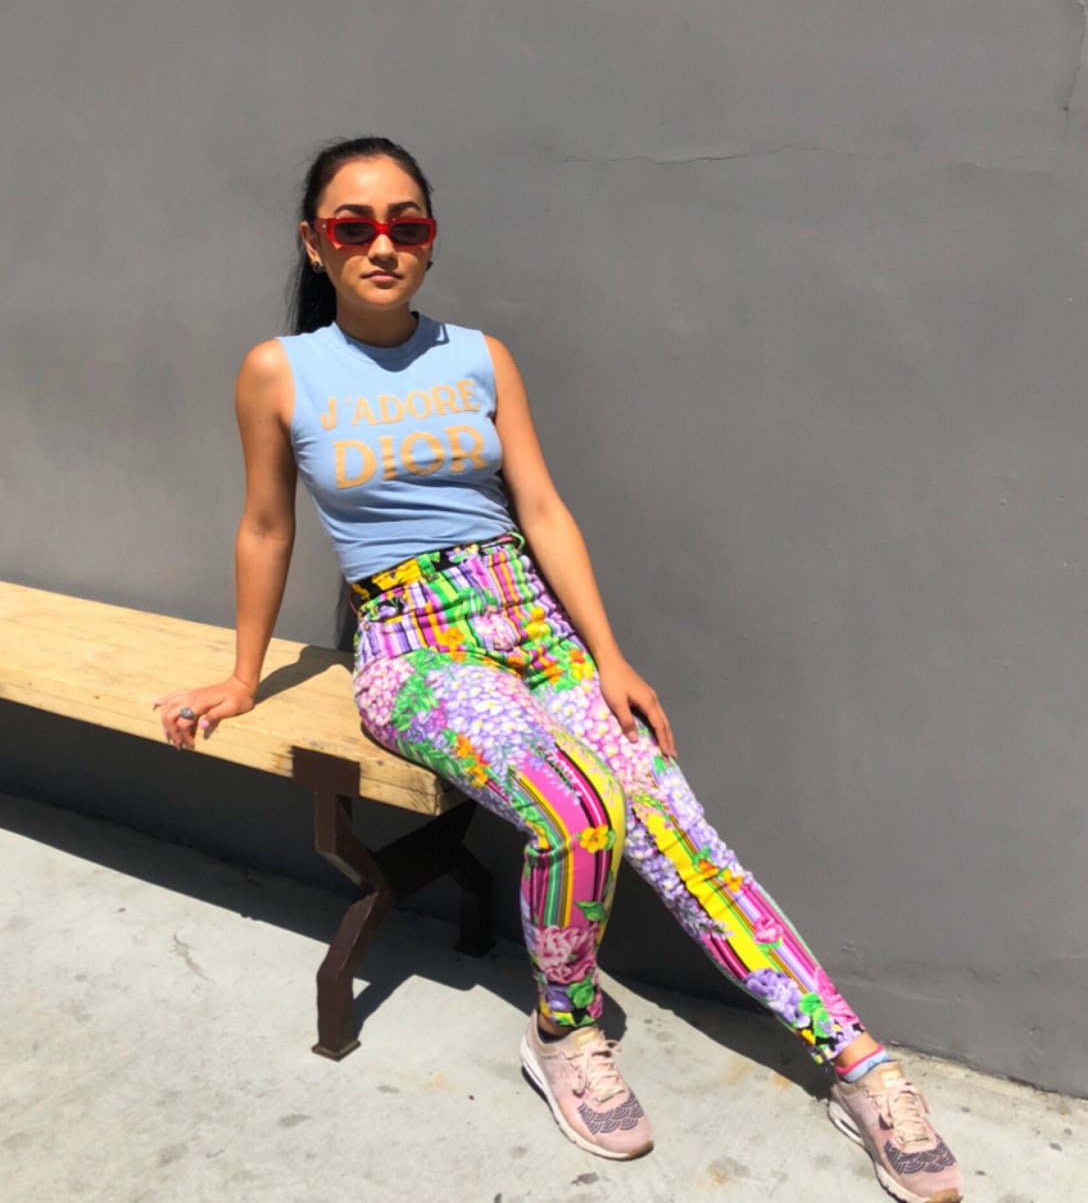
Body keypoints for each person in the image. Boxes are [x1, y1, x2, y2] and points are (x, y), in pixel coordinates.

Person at [155, 136, 963, 1202]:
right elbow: (267, 526)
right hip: (416, 649)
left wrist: (608, 656)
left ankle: (858, 1064)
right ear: (315, 242)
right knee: (576, 812)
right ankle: (563, 1032)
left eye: (406, 223)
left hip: (535, 627)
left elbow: (539, 507)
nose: (381, 244)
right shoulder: (280, 370)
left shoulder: (478, 357)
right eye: (353, 226)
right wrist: (242, 674)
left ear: (430, 241)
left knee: (676, 828)